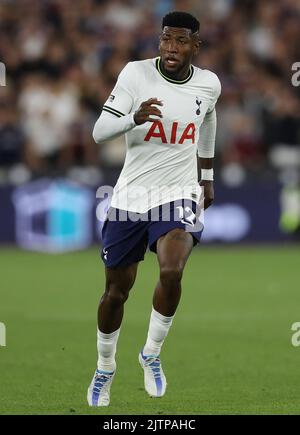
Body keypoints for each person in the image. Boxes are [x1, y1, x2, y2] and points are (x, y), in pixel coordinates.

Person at [87, 11, 221, 407]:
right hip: (131, 197)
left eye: (180, 42)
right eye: (166, 40)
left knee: (172, 269)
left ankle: (151, 354)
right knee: (115, 292)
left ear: (195, 45)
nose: (171, 48)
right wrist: (133, 118)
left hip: (179, 192)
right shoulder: (135, 74)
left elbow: (208, 119)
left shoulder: (209, 83)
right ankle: (105, 367)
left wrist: (207, 175)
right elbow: (98, 132)